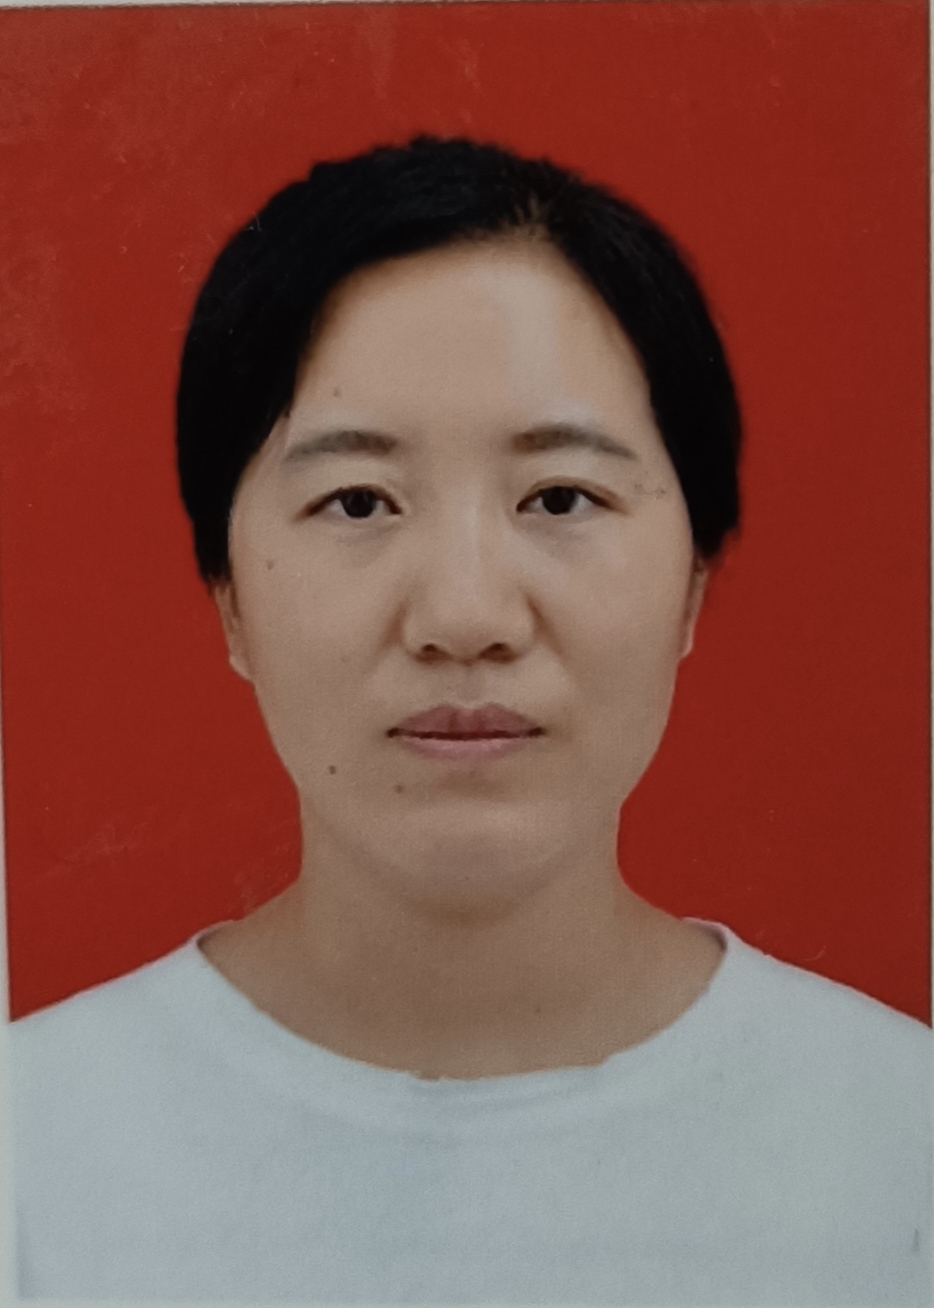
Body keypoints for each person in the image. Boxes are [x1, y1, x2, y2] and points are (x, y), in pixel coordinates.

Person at [11, 136, 930, 1304]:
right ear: (229, 599)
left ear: (692, 588)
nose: (465, 617)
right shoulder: (36, 1148)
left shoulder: (896, 1139)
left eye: (560, 496)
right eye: (358, 501)